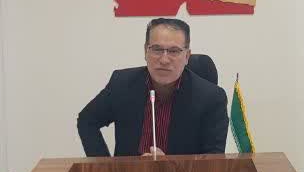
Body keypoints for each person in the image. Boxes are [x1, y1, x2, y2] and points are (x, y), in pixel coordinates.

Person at [77, 18, 228, 157]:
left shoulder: (212, 98)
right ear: (145, 51)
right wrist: (104, 167)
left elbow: (213, 160)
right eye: (157, 49)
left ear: (187, 56)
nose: (164, 60)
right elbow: (87, 120)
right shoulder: (122, 84)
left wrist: (171, 168)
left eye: (174, 51)